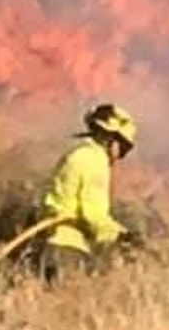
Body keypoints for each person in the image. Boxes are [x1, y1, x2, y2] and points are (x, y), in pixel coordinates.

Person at [38, 104, 137, 282]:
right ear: (111, 138)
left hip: (51, 245)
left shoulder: (76, 154)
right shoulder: (95, 160)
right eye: (123, 148)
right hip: (69, 247)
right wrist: (123, 235)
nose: (120, 155)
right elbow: (93, 214)